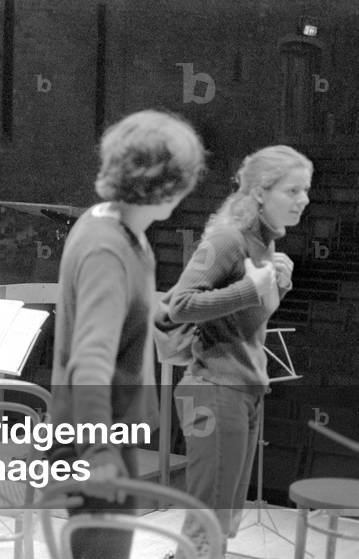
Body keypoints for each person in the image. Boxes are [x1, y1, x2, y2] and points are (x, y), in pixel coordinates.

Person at [50, 109, 205, 559]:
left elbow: (119, 313)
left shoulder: (114, 224)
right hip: (94, 440)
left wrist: (167, 313)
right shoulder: (108, 249)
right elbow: (90, 360)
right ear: (167, 184)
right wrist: (98, 451)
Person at [166, 145, 312, 558]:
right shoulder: (228, 238)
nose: (303, 199)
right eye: (293, 190)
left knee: (223, 521)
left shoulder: (262, 242)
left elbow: (246, 319)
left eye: (306, 190)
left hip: (244, 388)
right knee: (205, 524)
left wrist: (276, 286)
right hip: (213, 389)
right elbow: (180, 304)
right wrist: (250, 288)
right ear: (261, 193)